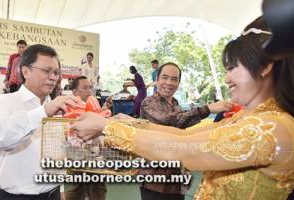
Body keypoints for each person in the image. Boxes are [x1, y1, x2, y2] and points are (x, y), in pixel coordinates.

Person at [72, 17, 294, 200]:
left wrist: (107, 126)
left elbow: (182, 149)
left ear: (265, 66)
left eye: (233, 68)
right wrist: (115, 123)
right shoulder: (253, 118)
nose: (227, 78)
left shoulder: (272, 127)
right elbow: (183, 135)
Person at [0, 44, 81, 200]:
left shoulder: (59, 108)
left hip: (53, 193)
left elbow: (58, 154)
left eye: (56, 72)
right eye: (46, 70)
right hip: (16, 196)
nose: (53, 77)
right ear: (25, 71)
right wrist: (44, 112)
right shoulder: (4, 102)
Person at [139, 62, 232, 200]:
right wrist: (208, 108)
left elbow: (186, 132)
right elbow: (171, 121)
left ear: (178, 83)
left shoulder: (177, 105)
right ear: (157, 80)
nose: (169, 82)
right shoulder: (149, 103)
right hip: (155, 180)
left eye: (174, 79)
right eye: (165, 77)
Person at [66, 75, 107, 200]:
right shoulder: (70, 108)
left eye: (90, 87)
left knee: (96, 187)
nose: (89, 91)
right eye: (85, 88)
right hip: (78, 153)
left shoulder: (93, 104)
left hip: (95, 154)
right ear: (75, 92)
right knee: (79, 187)